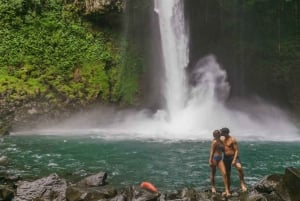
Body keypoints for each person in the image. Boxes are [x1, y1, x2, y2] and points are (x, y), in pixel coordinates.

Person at [220, 127, 247, 192]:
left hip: (233, 157)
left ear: (225, 133)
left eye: (222, 132)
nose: (221, 133)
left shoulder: (233, 139)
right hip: (226, 158)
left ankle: (242, 183)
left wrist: (234, 160)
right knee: (227, 173)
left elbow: (237, 150)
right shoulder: (222, 140)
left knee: (239, 168)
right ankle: (228, 188)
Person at [208, 130, 231, 197]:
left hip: (220, 159)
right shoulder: (214, 142)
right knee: (213, 173)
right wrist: (210, 160)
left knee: (224, 173)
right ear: (215, 135)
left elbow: (223, 150)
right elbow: (211, 152)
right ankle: (213, 187)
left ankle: (227, 190)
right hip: (214, 158)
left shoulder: (221, 141)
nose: (220, 134)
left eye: (219, 133)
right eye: (218, 133)